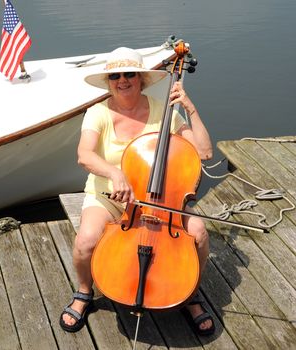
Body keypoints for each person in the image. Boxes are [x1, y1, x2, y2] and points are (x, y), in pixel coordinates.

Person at [60, 46, 215, 335]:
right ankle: (83, 292)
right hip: (108, 197)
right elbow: (85, 155)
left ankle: (190, 292)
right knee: (85, 242)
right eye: (115, 75)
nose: (122, 80)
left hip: (158, 200)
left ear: (141, 79)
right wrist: (115, 172)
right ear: (108, 81)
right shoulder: (98, 113)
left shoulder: (164, 113)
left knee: (199, 232)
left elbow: (204, 152)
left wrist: (189, 107)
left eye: (129, 73)